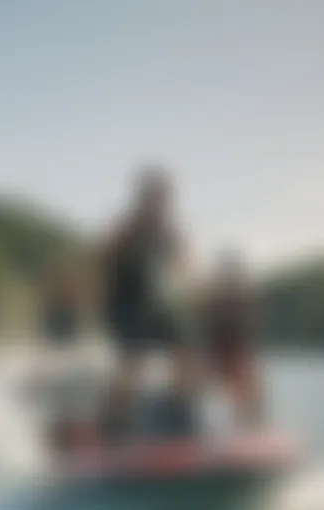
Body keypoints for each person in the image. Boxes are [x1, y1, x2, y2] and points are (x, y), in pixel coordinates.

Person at [96, 166, 199, 438]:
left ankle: (179, 417)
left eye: (165, 197)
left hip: (155, 307)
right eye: (156, 196)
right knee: (134, 362)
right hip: (124, 306)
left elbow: (186, 265)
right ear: (143, 198)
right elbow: (103, 262)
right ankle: (112, 426)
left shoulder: (169, 232)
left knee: (188, 354)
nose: (162, 203)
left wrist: (193, 287)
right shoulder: (127, 229)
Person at [200, 247, 264, 427]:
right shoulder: (211, 298)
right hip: (217, 354)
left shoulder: (243, 299)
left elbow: (250, 330)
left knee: (249, 390)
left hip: (236, 354)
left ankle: (253, 427)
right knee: (238, 391)